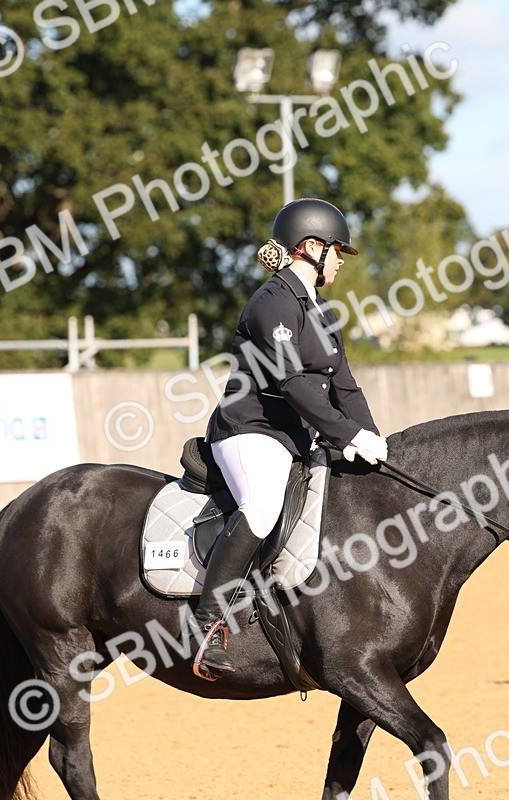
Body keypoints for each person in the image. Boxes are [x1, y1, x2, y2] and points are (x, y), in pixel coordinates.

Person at [194, 197, 389, 677]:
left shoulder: (321, 311)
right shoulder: (272, 303)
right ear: (310, 247)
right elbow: (291, 382)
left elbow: (345, 385)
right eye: (337, 250)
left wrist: (372, 438)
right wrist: (345, 433)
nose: (341, 260)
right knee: (262, 505)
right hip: (251, 429)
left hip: (296, 434)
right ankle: (206, 624)